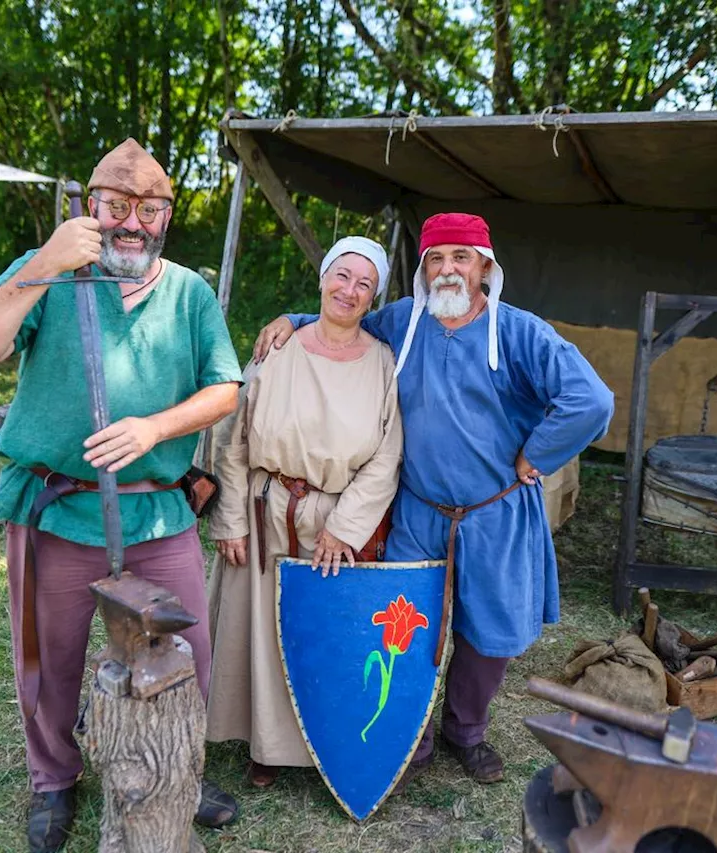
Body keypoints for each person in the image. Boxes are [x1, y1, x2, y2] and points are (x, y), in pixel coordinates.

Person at [253, 212, 615, 790]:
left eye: (461, 258)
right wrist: (291, 319)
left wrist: (538, 455)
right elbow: (345, 319)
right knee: (404, 621)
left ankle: (465, 730)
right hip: (418, 509)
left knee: (486, 632)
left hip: (496, 512)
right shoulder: (403, 321)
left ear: (485, 268)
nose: (448, 269)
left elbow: (591, 401)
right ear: (423, 269)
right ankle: (411, 731)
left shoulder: (521, 332)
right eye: (436, 259)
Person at [0, 139, 243, 852]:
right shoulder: (48, 276)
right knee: (50, 658)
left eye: (148, 209)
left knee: (186, 650)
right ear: (90, 208)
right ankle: (54, 777)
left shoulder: (189, 293)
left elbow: (225, 387)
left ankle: (179, 765)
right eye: (115, 207)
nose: (131, 224)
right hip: (59, 507)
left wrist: (155, 426)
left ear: (166, 217)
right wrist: (45, 262)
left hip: (156, 508)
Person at [205, 236, 403, 788]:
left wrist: (344, 529)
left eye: (364, 284)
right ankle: (265, 745)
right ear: (322, 279)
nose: (350, 290)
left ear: (373, 298)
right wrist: (231, 519)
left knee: (323, 634)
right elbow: (235, 439)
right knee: (262, 632)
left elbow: (387, 457)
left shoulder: (383, 363)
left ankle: (324, 740)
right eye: (342, 276)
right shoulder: (277, 348)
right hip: (266, 511)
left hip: (335, 525)